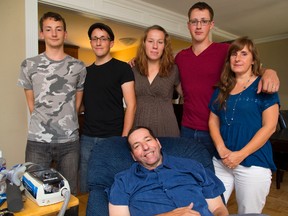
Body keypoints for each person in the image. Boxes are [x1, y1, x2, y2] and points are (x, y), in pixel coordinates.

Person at [174, 1, 280, 158]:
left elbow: (249, 66)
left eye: (204, 21)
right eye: (194, 21)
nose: (199, 26)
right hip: (187, 128)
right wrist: (137, 61)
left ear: (211, 25)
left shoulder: (225, 51)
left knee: (214, 179)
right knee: (188, 176)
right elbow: (171, 77)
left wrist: (270, 72)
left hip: (217, 130)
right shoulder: (181, 57)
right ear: (188, 25)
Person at [17, 12, 87, 195]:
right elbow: (31, 104)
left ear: (65, 33)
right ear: (42, 33)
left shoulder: (79, 67)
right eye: (48, 29)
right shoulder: (29, 65)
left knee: (69, 194)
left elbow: (77, 104)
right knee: (35, 193)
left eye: (58, 29)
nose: (54, 33)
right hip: (37, 142)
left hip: (70, 141)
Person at [208, 37, 279, 214]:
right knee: (210, 208)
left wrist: (240, 155)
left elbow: (269, 127)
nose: (237, 58)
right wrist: (221, 148)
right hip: (221, 161)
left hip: (253, 163)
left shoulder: (264, 86)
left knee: (249, 213)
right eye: (234, 54)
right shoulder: (222, 87)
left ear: (253, 60)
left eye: (244, 54)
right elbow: (213, 120)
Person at [108, 126, 229, 216]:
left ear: (158, 143)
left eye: (148, 140)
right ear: (133, 156)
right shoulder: (123, 181)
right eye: (137, 146)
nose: (145, 147)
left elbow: (218, 208)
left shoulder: (192, 167)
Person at [80, 23, 136, 193]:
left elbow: (132, 104)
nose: (98, 42)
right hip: (87, 138)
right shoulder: (85, 72)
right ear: (91, 42)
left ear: (111, 43)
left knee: (112, 186)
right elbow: (82, 104)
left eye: (103, 38)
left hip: (113, 137)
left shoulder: (123, 68)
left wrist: (124, 136)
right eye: (95, 39)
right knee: (84, 186)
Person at [132, 25, 182, 137]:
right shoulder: (133, 70)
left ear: (165, 46)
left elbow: (189, 96)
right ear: (144, 43)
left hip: (167, 128)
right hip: (139, 128)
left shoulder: (173, 70)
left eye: (160, 42)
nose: (155, 46)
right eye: (150, 41)